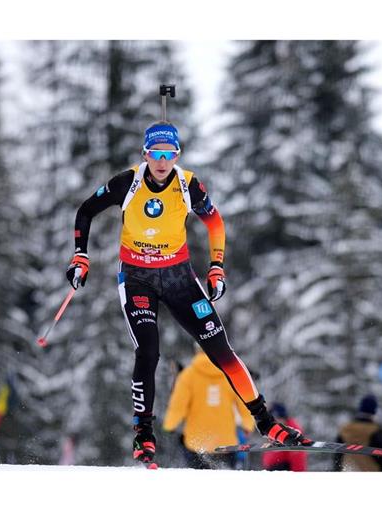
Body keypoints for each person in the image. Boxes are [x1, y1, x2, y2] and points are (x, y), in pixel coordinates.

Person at [66, 121, 311, 465]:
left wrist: (216, 266)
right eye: (156, 154)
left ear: (177, 155)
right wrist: (81, 255)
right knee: (149, 351)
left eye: (169, 154)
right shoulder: (128, 183)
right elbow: (85, 210)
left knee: (220, 349)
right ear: (145, 154)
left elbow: (215, 223)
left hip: (179, 277)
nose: (162, 161)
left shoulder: (188, 185)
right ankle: (143, 434)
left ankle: (267, 423)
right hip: (137, 278)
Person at [162, 348, 255, 469]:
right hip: (226, 443)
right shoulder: (229, 374)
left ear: (197, 350)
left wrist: (169, 426)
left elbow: (177, 407)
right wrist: (248, 425)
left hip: (196, 443)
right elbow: (244, 403)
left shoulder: (188, 375)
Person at [332, 395, 382, 472]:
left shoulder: (345, 429)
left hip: (347, 469)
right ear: (374, 411)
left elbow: (337, 454)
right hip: (370, 469)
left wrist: (336, 470)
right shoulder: (376, 430)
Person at [262, 404, 308, 472]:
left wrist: (298, 475)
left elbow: (298, 456)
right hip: (273, 469)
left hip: (284, 469)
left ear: (283, 417)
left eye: (277, 418)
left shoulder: (292, 431)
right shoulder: (275, 430)